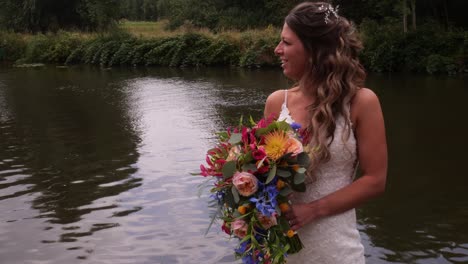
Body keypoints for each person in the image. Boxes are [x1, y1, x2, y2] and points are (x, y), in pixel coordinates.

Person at [263, 2, 387, 263]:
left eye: (286, 42)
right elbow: (264, 174)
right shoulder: (277, 102)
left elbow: (375, 179)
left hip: (336, 249)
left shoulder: (362, 102)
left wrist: (313, 210)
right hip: (283, 249)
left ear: (314, 50)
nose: (277, 50)